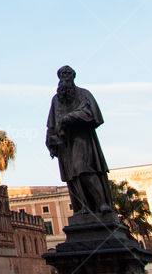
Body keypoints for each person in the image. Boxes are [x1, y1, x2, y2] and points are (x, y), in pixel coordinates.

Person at [46, 66, 114, 215]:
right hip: (64, 143)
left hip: (82, 138)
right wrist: (50, 141)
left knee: (82, 168)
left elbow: (91, 113)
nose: (65, 77)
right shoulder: (56, 100)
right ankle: (84, 207)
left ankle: (101, 203)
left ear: (73, 76)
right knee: (72, 176)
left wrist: (71, 117)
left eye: (68, 74)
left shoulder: (84, 94)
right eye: (62, 74)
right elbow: (51, 123)